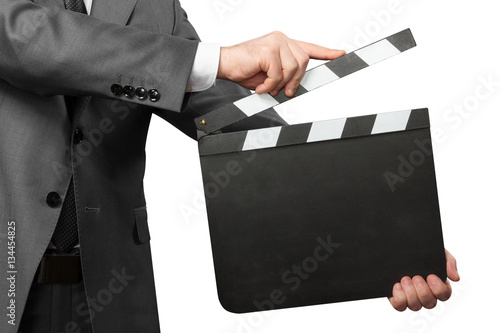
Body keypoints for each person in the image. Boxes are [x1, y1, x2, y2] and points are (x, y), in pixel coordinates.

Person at [0, 0, 459, 332]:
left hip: (109, 291)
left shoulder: (154, 7)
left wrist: (386, 237)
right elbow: (23, 39)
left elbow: (232, 126)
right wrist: (218, 58)